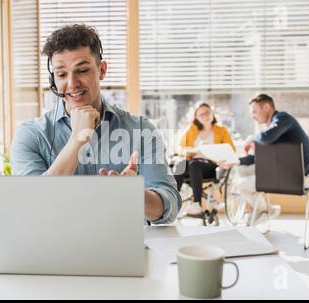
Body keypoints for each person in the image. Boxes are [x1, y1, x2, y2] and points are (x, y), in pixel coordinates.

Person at [11, 24, 181, 224]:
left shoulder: (141, 130)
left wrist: (135, 196)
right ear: (53, 79)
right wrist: (77, 140)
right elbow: (33, 206)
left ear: (102, 70)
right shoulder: (31, 135)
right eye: (62, 74)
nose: (72, 83)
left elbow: (169, 205)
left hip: (125, 249)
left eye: (82, 70)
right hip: (56, 250)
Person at [219, 93, 309, 225]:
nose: (253, 116)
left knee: (242, 187)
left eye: (254, 112)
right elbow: (259, 157)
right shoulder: (278, 129)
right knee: (242, 170)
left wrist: (252, 138)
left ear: (267, 107)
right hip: (288, 175)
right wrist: (236, 161)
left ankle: (264, 210)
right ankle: (259, 210)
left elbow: (265, 138)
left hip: (299, 179)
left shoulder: (283, 119)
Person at [173, 102, 236, 215]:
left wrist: (221, 159)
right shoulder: (192, 130)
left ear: (212, 113)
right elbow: (180, 148)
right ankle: (171, 202)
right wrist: (190, 150)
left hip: (211, 166)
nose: (205, 116)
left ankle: (196, 204)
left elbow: (231, 151)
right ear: (196, 117)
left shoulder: (222, 130)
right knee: (181, 163)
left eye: (207, 112)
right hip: (191, 164)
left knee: (194, 164)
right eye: (201, 114)